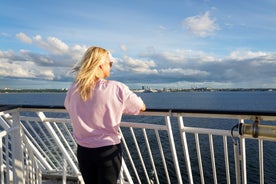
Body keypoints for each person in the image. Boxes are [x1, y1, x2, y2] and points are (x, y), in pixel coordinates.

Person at [64, 46, 146, 184]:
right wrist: (117, 107)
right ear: (101, 65)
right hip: (107, 150)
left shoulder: (74, 88)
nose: (111, 66)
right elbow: (141, 107)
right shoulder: (116, 88)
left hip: (84, 151)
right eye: (110, 63)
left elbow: (68, 107)